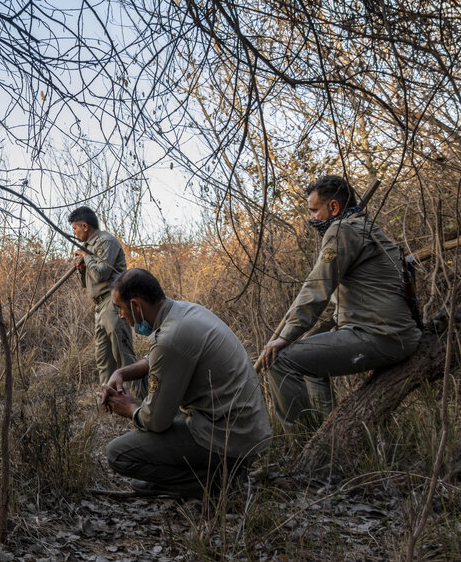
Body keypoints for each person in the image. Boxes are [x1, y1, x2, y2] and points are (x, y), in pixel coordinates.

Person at [257, 175, 422, 431]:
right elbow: (334, 307)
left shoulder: (342, 229)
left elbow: (316, 288)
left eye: (314, 210)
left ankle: (301, 442)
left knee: (280, 361)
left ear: (333, 208)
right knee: (307, 358)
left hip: (381, 335)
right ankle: (328, 435)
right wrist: (303, 338)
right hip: (392, 333)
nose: (311, 218)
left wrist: (285, 338)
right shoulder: (362, 226)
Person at [101, 268, 271, 499]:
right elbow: (159, 357)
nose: (121, 315)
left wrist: (129, 408)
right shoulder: (183, 312)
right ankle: (215, 473)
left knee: (118, 454)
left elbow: (155, 421)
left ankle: (215, 484)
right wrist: (121, 372)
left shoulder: (171, 337)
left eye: (120, 308)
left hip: (230, 437)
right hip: (245, 429)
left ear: (136, 305)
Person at [69, 206, 145, 396]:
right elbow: (88, 283)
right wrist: (81, 266)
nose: (74, 232)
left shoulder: (106, 242)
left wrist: (86, 258)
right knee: (103, 359)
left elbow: (102, 274)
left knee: (123, 356)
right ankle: (110, 401)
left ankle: (142, 400)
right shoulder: (89, 248)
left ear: (85, 226)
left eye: (75, 228)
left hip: (113, 304)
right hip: (99, 307)